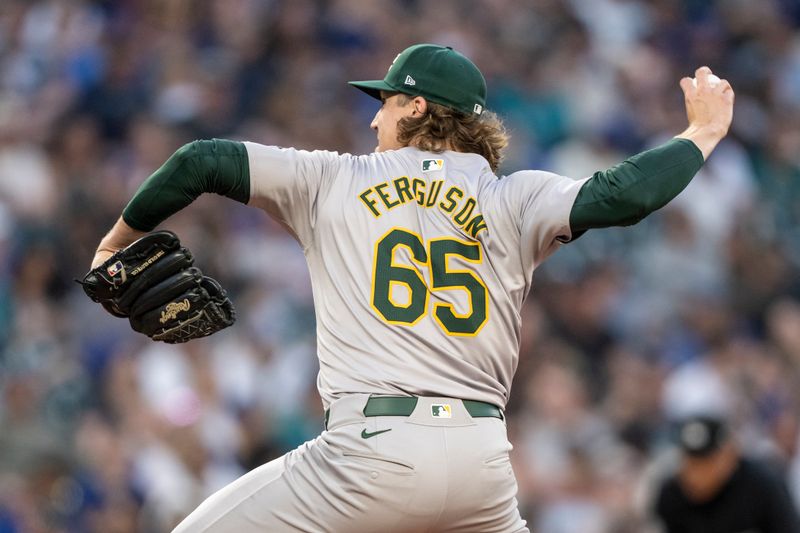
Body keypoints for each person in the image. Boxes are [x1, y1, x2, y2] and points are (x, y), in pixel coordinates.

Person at [89, 43, 734, 532]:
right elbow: (621, 196)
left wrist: (116, 242)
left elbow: (200, 159)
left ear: (418, 106)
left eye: (387, 102)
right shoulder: (517, 195)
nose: (375, 121)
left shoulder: (332, 179)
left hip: (368, 457)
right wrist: (700, 134)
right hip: (483, 464)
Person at [653, 415, 800, 533]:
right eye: (691, 463)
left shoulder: (763, 487)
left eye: (706, 463)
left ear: (729, 455)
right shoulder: (671, 494)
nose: (695, 474)